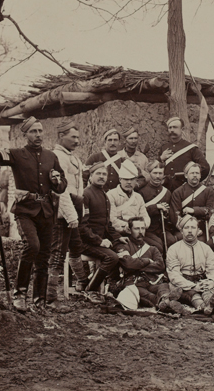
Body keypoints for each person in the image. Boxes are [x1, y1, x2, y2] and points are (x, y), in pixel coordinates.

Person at [0, 117, 67, 312]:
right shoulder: (16, 154)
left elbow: (62, 185)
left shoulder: (51, 156)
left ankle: (40, 300)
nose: (38, 135)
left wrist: (57, 182)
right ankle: (19, 294)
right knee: (32, 246)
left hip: (46, 211)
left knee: (44, 255)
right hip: (25, 210)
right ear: (25, 134)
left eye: (40, 131)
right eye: (33, 131)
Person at [48, 120, 88, 310]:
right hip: (61, 213)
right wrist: (70, 215)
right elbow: (60, 191)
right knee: (57, 254)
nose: (77, 141)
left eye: (78, 137)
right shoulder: (57, 156)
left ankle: (82, 285)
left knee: (76, 248)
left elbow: (78, 187)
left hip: (74, 210)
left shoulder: (71, 157)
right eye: (73, 137)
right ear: (61, 136)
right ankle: (50, 297)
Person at [114, 217, 182, 313]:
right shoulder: (123, 246)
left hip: (151, 281)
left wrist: (137, 265)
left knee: (163, 286)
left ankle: (165, 300)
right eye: (137, 229)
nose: (140, 231)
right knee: (148, 295)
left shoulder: (152, 248)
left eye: (143, 228)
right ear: (129, 230)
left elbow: (160, 266)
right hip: (134, 283)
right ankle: (165, 302)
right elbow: (128, 264)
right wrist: (148, 261)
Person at [79, 162, 121, 305]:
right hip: (84, 242)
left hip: (98, 240)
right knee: (112, 257)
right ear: (91, 176)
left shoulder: (103, 194)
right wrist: (99, 241)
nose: (102, 177)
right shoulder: (86, 194)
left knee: (123, 250)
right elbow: (82, 227)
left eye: (104, 174)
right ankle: (91, 290)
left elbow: (107, 224)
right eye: (98, 174)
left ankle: (113, 288)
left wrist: (119, 238)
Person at [166, 215, 214, 315]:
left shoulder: (206, 248)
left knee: (207, 292)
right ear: (181, 231)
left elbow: (213, 269)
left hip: (201, 281)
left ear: (198, 230)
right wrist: (193, 286)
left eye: (193, 228)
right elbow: (174, 275)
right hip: (183, 284)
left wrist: (211, 282)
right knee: (192, 295)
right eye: (186, 228)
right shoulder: (173, 249)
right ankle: (203, 307)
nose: (190, 231)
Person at [160, 117, 210, 192]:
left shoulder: (191, 148)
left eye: (175, 127)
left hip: (185, 190)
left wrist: (191, 180)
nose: (172, 130)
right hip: (166, 190)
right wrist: (161, 158)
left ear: (182, 129)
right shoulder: (164, 148)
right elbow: (156, 168)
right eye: (170, 128)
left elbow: (205, 168)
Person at [170, 161, 214, 242]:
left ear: (200, 175)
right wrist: (187, 230)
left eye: (197, 173)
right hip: (183, 228)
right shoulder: (178, 192)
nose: (195, 175)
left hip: (202, 229)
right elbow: (175, 216)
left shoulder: (208, 191)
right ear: (186, 175)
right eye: (192, 173)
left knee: (205, 242)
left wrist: (194, 210)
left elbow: (210, 211)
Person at [139, 160, 176, 254]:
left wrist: (167, 213)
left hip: (162, 228)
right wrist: (156, 207)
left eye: (160, 173)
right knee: (158, 245)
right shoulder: (142, 192)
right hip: (148, 229)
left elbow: (171, 214)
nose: (157, 176)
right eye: (155, 173)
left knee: (171, 242)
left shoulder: (167, 192)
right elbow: (139, 213)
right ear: (149, 174)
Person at [108, 160, 150, 237]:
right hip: (120, 234)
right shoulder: (111, 195)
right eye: (126, 179)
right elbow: (112, 220)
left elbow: (145, 216)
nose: (129, 182)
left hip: (139, 231)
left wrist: (142, 226)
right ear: (120, 179)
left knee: (158, 245)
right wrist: (129, 227)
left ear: (136, 181)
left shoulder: (138, 197)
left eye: (132, 179)